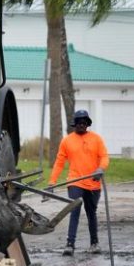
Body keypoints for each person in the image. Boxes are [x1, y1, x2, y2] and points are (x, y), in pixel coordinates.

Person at [49, 109, 110, 256]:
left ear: (87, 124)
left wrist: (100, 169)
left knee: (91, 213)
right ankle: (70, 244)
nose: (81, 125)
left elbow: (104, 157)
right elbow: (59, 163)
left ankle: (94, 243)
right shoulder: (67, 141)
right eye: (78, 123)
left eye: (84, 122)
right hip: (75, 181)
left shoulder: (97, 139)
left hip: (93, 183)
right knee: (74, 210)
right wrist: (52, 182)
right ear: (74, 124)